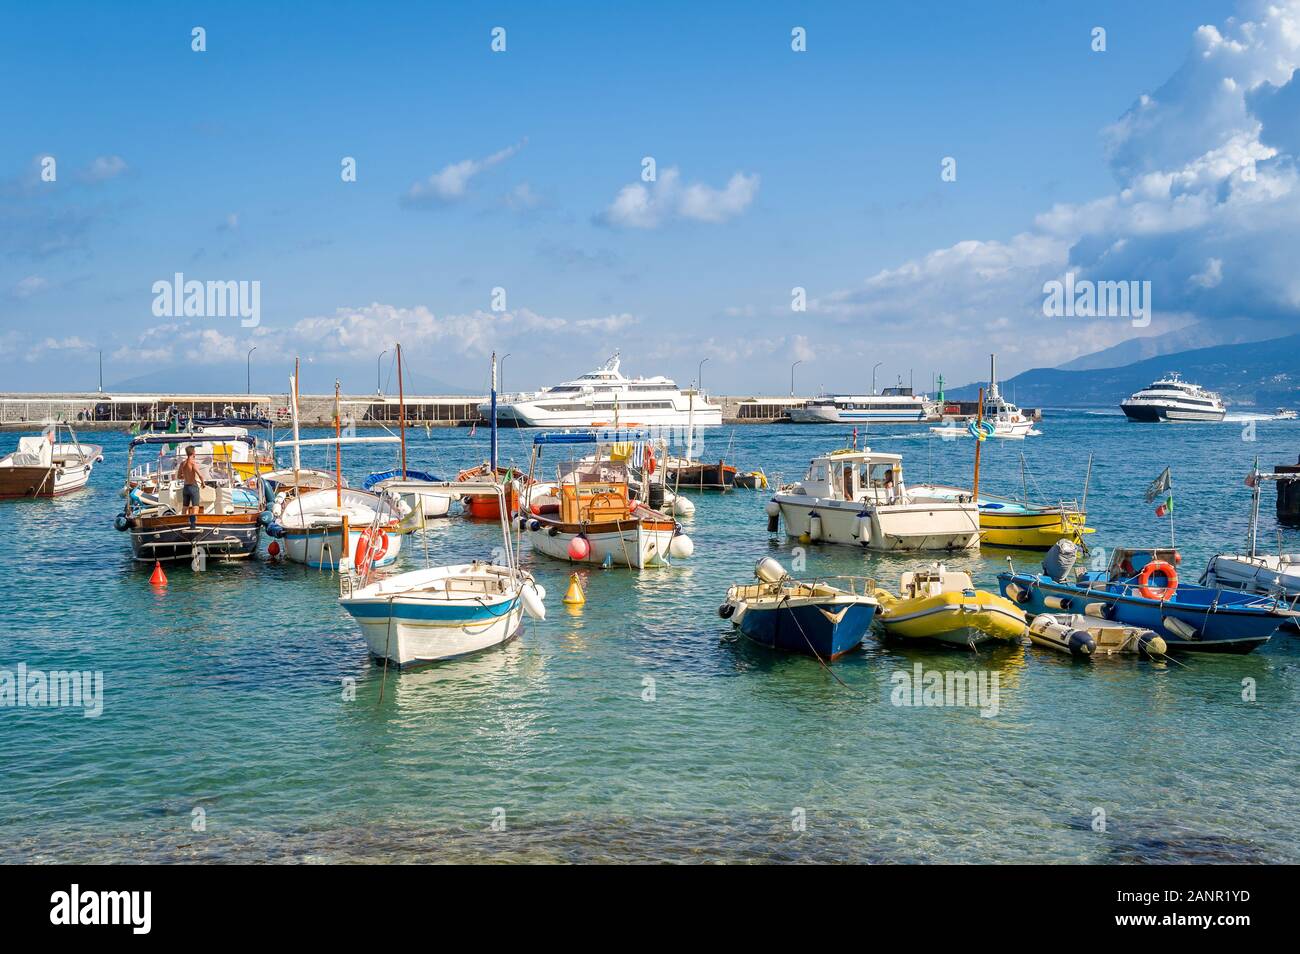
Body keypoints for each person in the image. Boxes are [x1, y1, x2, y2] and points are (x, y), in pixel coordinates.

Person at [177, 445, 206, 516]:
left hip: (186, 487)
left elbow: (178, 476)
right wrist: (203, 483)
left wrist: (186, 476)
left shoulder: (182, 464)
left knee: (185, 507)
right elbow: (200, 475)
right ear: (193, 452)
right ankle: (193, 523)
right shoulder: (192, 463)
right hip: (193, 487)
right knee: (195, 507)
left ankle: (183, 521)